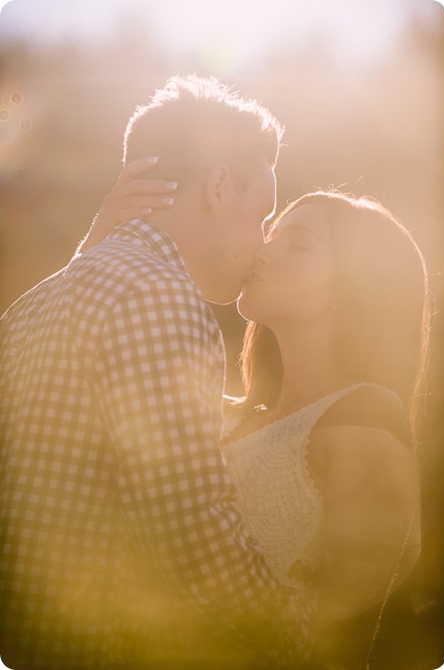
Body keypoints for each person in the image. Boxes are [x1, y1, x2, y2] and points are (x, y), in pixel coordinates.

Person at [0, 74, 290, 670]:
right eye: (261, 214)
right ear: (216, 186)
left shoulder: (31, 304)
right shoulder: (158, 295)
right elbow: (191, 529)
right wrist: (297, 639)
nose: (262, 243)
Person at [85, 181, 432, 669]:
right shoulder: (224, 411)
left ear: (354, 288)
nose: (263, 251)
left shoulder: (367, 417)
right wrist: (103, 248)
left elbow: (341, 643)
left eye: (298, 245)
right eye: (271, 233)